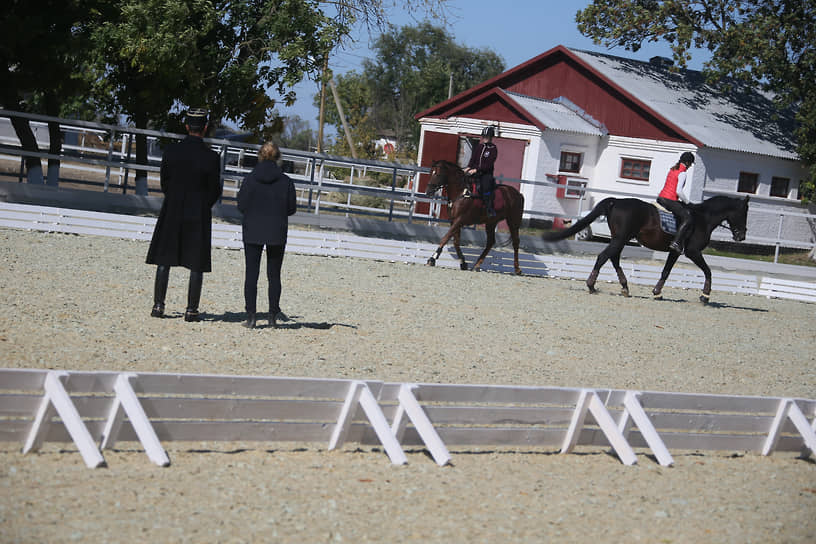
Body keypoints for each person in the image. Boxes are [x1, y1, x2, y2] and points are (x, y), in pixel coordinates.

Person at [146, 108, 222, 322]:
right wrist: (202, 204)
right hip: (198, 212)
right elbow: (214, 189)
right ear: (204, 128)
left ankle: (158, 305)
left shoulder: (171, 152)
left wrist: (175, 198)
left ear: (187, 126)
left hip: (173, 208)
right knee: (196, 262)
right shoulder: (211, 157)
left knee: (164, 259)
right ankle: (191, 310)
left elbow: (165, 182)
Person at [237, 141, 297, 329]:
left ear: (259, 156)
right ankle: (272, 316)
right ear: (278, 157)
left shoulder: (250, 179)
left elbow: (241, 205)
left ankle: (251, 316)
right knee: (274, 275)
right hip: (276, 230)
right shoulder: (286, 181)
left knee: (251, 274)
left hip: (252, 229)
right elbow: (291, 208)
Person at [657, 151, 697, 253]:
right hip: (670, 200)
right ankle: (676, 242)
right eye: (690, 164)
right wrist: (688, 203)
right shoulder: (683, 173)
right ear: (687, 163)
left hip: (661, 197)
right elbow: (678, 191)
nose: (690, 166)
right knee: (688, 218)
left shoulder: (673, 169)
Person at [464, 126, 498, 216]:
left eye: (487, 136)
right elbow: (473, 158)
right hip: (474, 171)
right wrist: (468, 167)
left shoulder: (493, 149)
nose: (485, 138)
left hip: (486, 174)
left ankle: (489, 208)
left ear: (491, 137)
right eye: (484, 136)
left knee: (486, 186)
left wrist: (476, 170)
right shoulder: (479, 146)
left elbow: (489, 164)